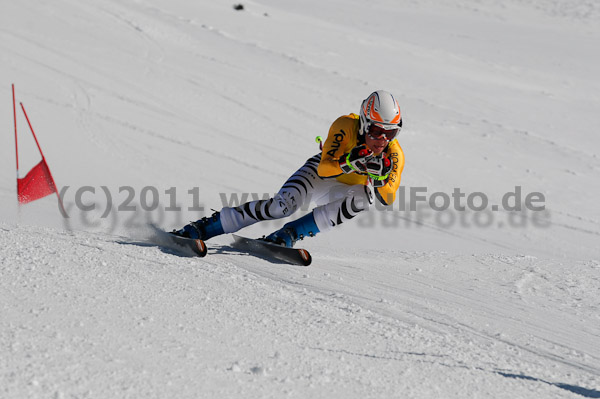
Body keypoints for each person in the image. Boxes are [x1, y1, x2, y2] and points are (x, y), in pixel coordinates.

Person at [172, 90, 405, 247]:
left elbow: (388, 197)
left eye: (391, 132)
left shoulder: (394, 154)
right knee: (280, 207)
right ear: (364, 123)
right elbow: (324, 169)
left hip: (342, 192)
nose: (382, 139)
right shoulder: (346, 125)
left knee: (366, 198)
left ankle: (289, 235)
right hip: (319, 175)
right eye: (376, 131)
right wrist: (348, 162)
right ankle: (205, 228)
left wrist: (380, 179)